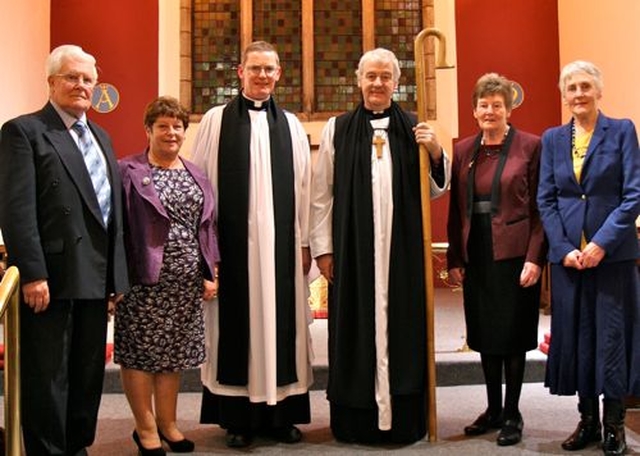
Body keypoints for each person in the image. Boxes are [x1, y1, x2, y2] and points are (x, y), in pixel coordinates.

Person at [308, 47, 451, 444]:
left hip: (401, 252)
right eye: (370, 76)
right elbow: (322, 196)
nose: (377, 83)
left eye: (385, 76)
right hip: (354, 251)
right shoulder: (338, 128)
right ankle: (356, 420)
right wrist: (324, 249)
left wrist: (435, 151)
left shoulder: (415, 128)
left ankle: (404, 419)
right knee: (355, 328)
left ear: (397, 82)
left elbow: (436, 190)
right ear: (359, 81)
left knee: (404, 328)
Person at [0, 44, 129, 455]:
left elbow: (111, 212)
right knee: (47, 375)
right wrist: (32, 272)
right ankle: (47, 450)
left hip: (95, 275)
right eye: (72, 77)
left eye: (88, 79)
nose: (81, 85)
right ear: (52, 81)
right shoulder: (24, 131)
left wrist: (117, 276)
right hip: (52, 277)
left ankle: (76, 446)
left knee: (87, 374)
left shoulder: (102, 136)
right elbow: (17, 208)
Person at [190, 41, 313, 448]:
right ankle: (238, 419)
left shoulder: (293, 126)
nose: (262, 75)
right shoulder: (214, 121)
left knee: (281, 326)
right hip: (233, 247)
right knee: (235, 328)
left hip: (280, 248)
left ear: (279, 74)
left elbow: (304, 189)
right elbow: (202, 187)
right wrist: (207, 249)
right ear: (240, 72)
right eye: (255, 68)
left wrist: (305, 243)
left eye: (270, 69)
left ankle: (280, 417)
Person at [537, 60, 640, 456]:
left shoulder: (622, 130)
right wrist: (565, 249)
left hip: (611, 258)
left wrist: (601, 244)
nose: (578, 94)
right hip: (569, 261)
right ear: (564, 96)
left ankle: (615, 424)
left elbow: (633, 194)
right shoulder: (552, 139)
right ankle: (587, 422)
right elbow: (546, 199)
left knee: (612, 338)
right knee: (579, 338)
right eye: (571, 88)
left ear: (599, 91)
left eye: (585, 86)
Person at [115, 96, 220, 455]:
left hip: (186, 282)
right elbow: (116, 228)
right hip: (143, 279)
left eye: (177, 126)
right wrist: (116, 279)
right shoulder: (128, 171)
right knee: (140, 355)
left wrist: (210, 270)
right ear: (148, 130)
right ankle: (145, 429)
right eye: (163, 126)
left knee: (173, 354)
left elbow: (207, 227)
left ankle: (168, 424)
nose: (171, 132)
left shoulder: (195, 173)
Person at [446, 73, 546, 446]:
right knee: (486, 335)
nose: (490, 111)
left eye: (497, 105)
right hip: (479, 253)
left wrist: (535, 258)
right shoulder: (463, 150)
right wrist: (455, 256)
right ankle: (491, 409)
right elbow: (457, 210)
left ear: (508, 109)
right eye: (484, 105)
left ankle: (513, 412)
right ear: (474, 110)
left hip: (515, 254)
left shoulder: (530, 146)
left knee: (513, 335)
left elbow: (540, 208)